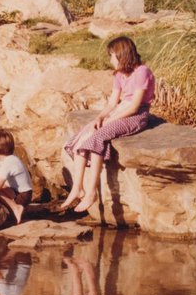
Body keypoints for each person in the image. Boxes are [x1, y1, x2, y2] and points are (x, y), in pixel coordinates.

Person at [61, 36, 155, 212]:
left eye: (112, 55)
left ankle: (91, 193)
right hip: (120, 110)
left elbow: (135, 106)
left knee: (99, 136)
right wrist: (101, 117)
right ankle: (77, 187)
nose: (110, 59)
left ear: (122, 55)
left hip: (136, 115)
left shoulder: (142, 72)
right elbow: (112, 102)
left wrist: (111, 120)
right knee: (86, 134)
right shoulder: (120, 74)